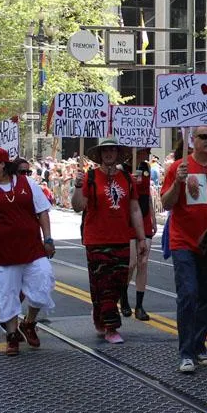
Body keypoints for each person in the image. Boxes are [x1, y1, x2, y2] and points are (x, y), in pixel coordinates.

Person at [0, 148, 56, 355]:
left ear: (3, 165)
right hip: (1, 254)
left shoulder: (27, 184)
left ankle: (29, 322)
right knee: (6, 295)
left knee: (43, 283)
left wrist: (48, 239)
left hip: (32, 250)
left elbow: (42, 212)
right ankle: (12, 335)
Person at [161, 126, 207, 373]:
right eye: (204, 137)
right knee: (188, 294)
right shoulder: (177, 168)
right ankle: (186, 352)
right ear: (192, 140)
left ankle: (199, 346)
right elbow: (166, 203)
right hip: (184, 242)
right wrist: (177, 183)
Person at [72, 138, 148, 345]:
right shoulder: (89, 177)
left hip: (121, 238)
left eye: (112, 150)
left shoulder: (127, 178)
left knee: (118, 283)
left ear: (117, 154)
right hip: (96, 240)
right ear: (100, 155)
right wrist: (77, 186)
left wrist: (141, 238)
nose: (108, 154)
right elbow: (78, 206)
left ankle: (101, 314)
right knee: (103, 283)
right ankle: (111, 326)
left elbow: (134, 209)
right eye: (105, 150)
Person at [120, 147, 157, 321]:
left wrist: (153, 216)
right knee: (131, 263)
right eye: (145, 151)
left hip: (145, 217)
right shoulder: (122, 169)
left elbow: (147, 194)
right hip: (128, 219)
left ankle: (140, 305)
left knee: (143, 262)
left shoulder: (146, 167)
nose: (148, 154)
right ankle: (123, 296)